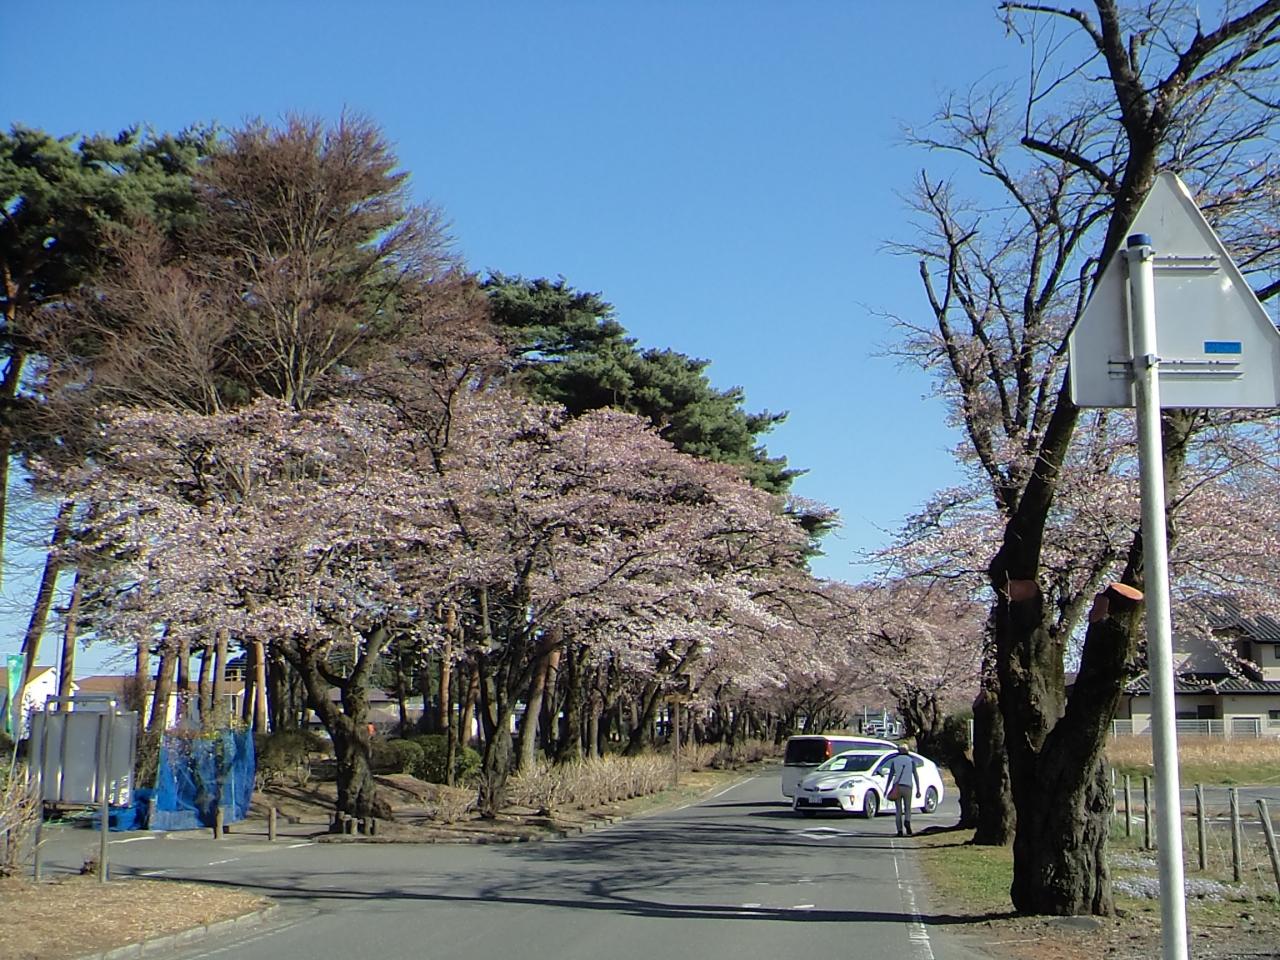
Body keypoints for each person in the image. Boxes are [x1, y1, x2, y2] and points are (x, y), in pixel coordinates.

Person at [884, 741, 921, 837]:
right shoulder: (911, 760)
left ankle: (899, 830)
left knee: (898, 810)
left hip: (897, 786)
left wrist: (886, 789)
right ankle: (907, 821)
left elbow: (891, 775)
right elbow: (915, 774)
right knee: (908, 807)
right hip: (908, 786)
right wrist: (918, 789)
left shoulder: (895, 760)